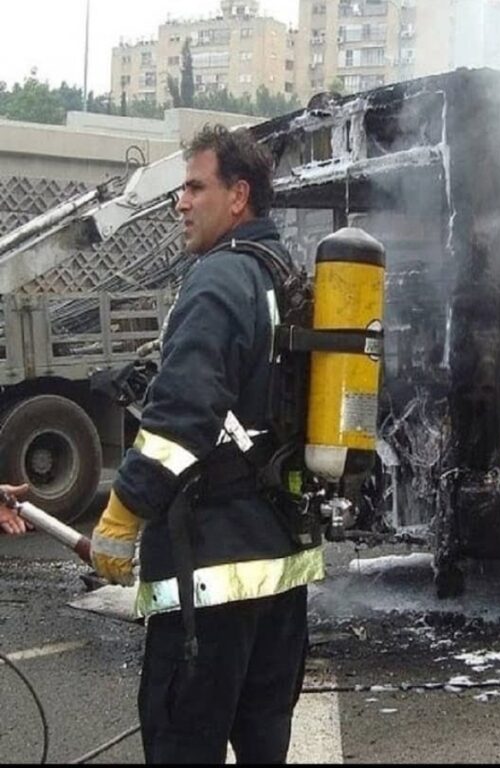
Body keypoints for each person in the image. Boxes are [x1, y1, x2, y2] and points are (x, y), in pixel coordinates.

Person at [89, 125, 325, 764]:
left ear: (238, 195)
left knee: (180, 745)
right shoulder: (286, 278)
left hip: (210, 584)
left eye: (196, 187)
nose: (180, 203)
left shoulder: (218, 280)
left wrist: (123, 513)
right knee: (263, 743)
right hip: (281, 572)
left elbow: (182, 415)